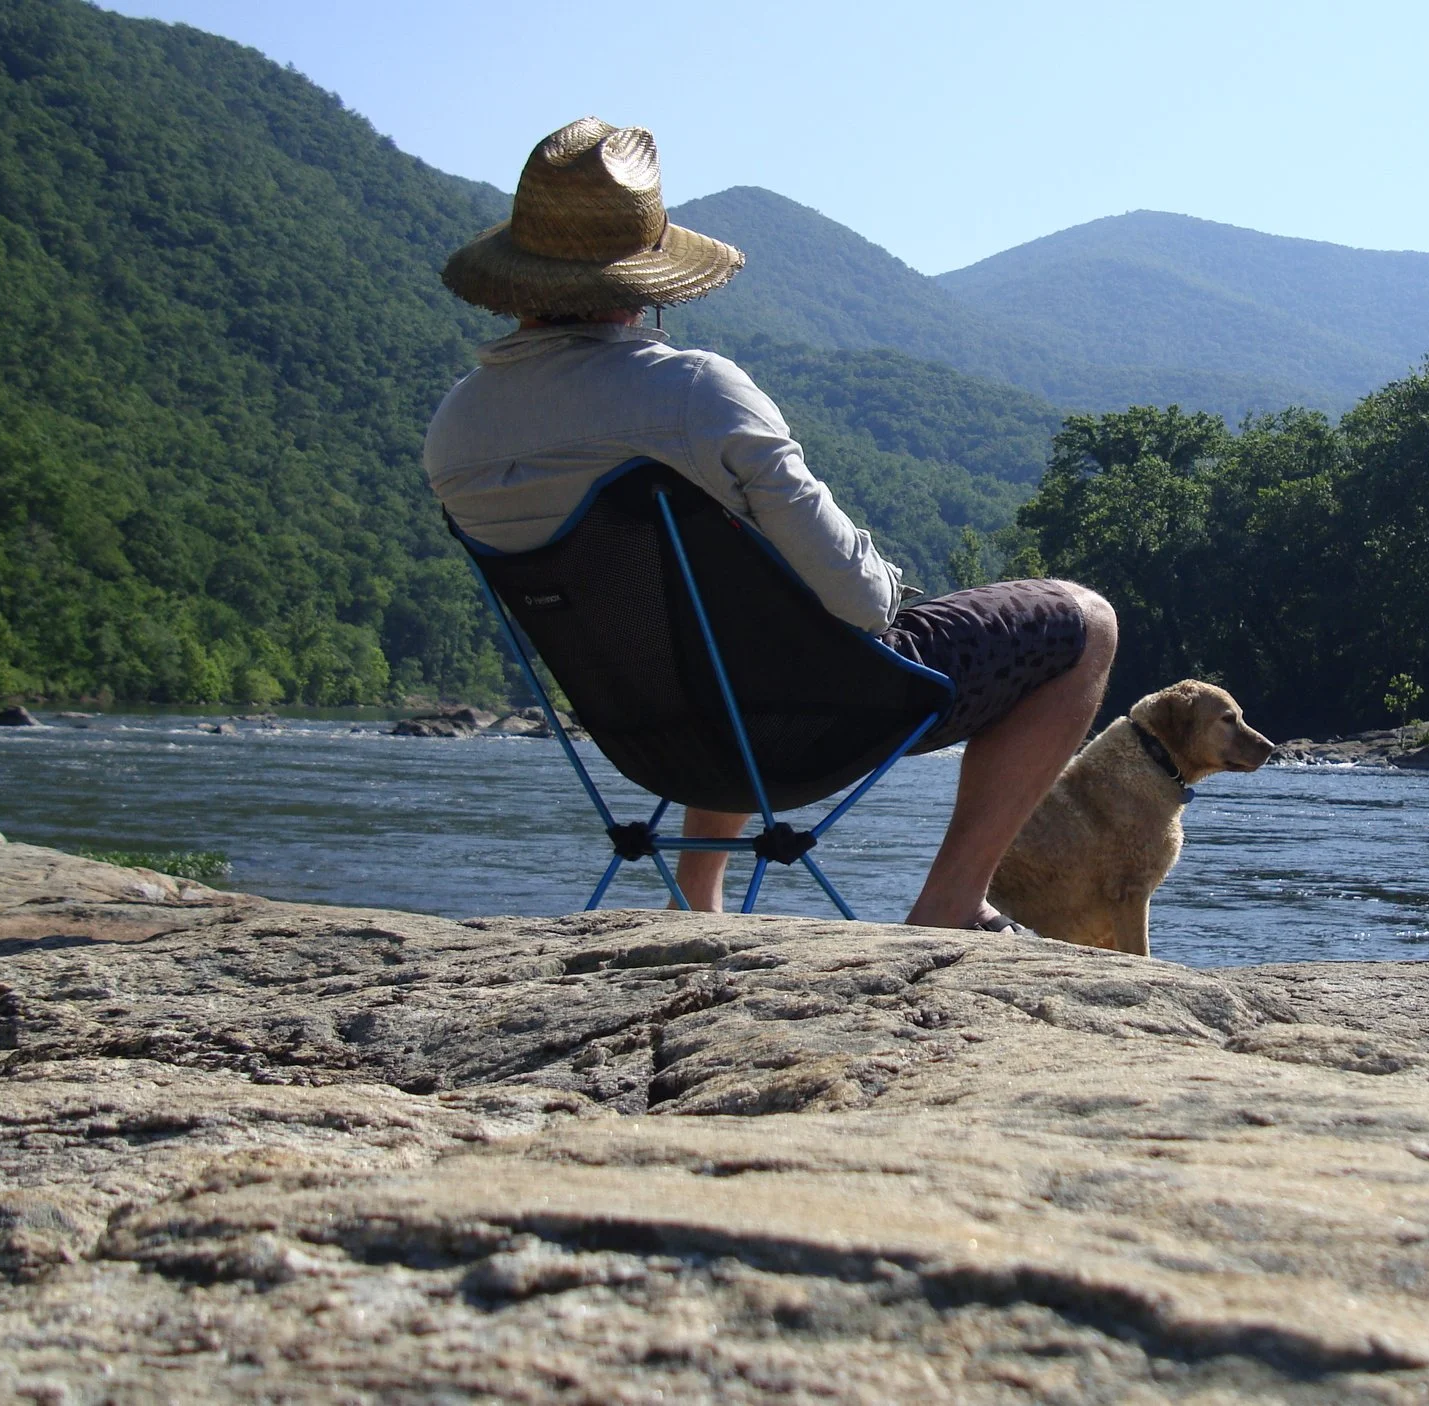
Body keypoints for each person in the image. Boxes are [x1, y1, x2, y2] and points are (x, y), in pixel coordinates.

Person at [423, 117, 1115, 932]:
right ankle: (951, 903)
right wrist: (887, 577)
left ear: (521, 280)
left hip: (651, 742)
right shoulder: (692, 392)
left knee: (724, 621)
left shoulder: (455, 427)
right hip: (807, 729)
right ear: (645, 282)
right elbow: (863, 605)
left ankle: (698, 898)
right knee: (1084, 622)